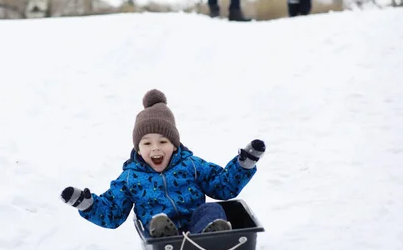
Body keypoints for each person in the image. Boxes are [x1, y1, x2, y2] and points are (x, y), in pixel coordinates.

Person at [60, 89, 265, 238]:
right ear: (138, 149)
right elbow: (113, 212)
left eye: (163, 141)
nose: (155, 148)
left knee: (212, 210)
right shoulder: (131, 178)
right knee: (157, 220)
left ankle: (211, 236)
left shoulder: (191, 165)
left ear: (175, 146)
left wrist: (243, 165)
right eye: (147, 143)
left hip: (196, 225)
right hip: (162, 238)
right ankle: (166, 237)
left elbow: (222, 186)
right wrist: (88, 205)